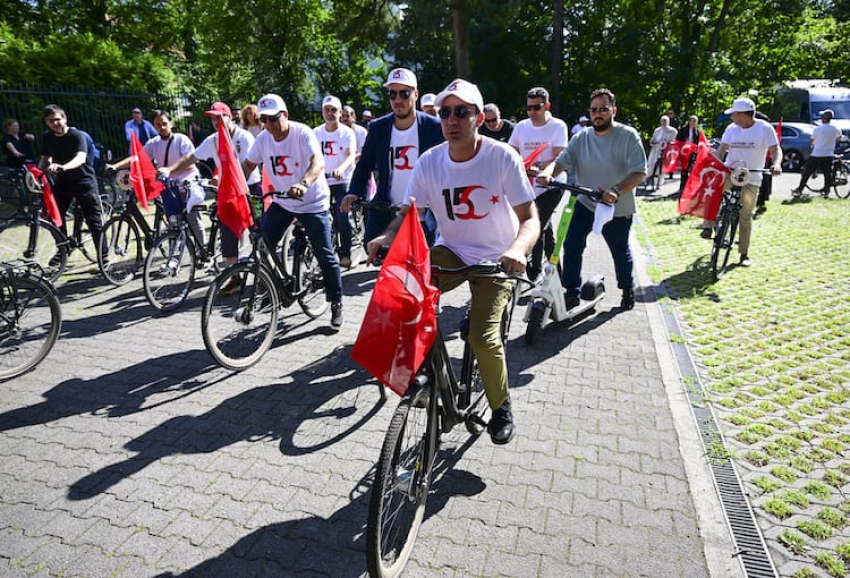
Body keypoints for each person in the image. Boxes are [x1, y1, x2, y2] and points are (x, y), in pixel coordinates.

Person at [367, 79, 540, 445]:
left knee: (482, 336)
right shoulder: (431, 161)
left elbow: (530, 218)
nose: (451, 120)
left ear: (478, 118)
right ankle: (420, 372)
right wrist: (386, 238)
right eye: (445, 112)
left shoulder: (500, 156)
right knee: (404, 296)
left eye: (461, 111)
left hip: (497, 259)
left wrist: (518, 251)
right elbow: (408, 211)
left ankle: (501, 406)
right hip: (454, 252)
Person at [537, 87, 647, 311]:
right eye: (594, 110)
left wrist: (616, 190)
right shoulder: (582, 137)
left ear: (613, 110)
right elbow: (561, 160)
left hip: (616, 207)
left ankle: (627, 289)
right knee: (571, 244)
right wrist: (548, 173)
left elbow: (639, 172)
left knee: (619, 250)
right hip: (586, 202)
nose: (598, 114)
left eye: (604, 109)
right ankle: (572, 293)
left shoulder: (628, 135)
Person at [242, 93, 344, 330]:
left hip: (311, 201)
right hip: (283, 201)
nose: (268, 125)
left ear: (285, 115)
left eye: (273, 119)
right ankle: (272, 290)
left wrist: (304, 183)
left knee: (324, 253)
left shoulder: (301, 133)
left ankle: (336, 301)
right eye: (263, 120)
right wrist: (234, 186)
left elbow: (317, 162)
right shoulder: (264, 139)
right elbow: (247, 166)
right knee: (261, 245)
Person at [158, 102, 261, 285]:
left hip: (250, 190)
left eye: (219, 117)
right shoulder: (213, 140)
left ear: (229, 118)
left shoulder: (244, 137)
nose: (215, 122)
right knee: (227, 233)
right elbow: (192, 157)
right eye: (213, 118)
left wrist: (229, 183)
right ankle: (234, 277)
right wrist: (169, 169)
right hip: (228, 193)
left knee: (260, 232)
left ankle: (266, 273)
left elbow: (248, 167)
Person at [343, 68, 444, 242]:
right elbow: (365, 164)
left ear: (416, 94)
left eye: (404, 94)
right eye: (392, 94)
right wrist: (354, 192)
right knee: (376, 251)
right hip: (388, 209)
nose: (398, 100)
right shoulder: (378, 127)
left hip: (424, 212)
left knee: (427, 265)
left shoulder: (434, 127)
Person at [700, 97, 782, 267]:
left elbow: (775, 150)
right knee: (712, 190)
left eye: (734, 114)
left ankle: (743, 254)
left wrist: (776, 164)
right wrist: (712, 164)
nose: (731, 118)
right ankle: (708, 226)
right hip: (730, 172)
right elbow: (722, 149)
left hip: (751, 177)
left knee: (745, 216)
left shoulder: (764, 128)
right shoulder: (732, 128)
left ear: (743, 115)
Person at [109, 110, 207, 249]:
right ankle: (174, 257)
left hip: (187, 183)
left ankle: (203, 250)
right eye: (158, 125)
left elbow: (191, 162)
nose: (162, 127)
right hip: (168, 186)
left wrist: (169, 170)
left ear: (171, 123)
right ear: (154, 126)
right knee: (174, 223)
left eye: (164, 124)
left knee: (193, 219)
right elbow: (137, 158)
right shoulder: (154, 143)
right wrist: (116, 166)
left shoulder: (181, 139)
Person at [508, 86, 569, 283]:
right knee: (546, 228)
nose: (533, 112)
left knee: (536, 224)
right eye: (529, 108)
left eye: (537, 107)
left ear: (547, 106)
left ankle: (533, 270)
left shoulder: (558, 126)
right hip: (528, 185)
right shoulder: (522, 127)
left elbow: (560, 157)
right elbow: (512, 151)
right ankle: (557, 274)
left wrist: (545, 170)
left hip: (552, 184)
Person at [38, 104, 105, 258]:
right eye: (50, 121)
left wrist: (63, 167)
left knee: (93, 221)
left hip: (84, 181)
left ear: (64, 118)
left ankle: (104, 257)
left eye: (57, 119)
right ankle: (63, 249)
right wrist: (37, 173)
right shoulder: (47, 137)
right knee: (54, 217)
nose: (54, 124)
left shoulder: (77, 135)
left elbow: (81, 158)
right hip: (63, 183)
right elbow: (45, 158)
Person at [315, 95, 357, 268]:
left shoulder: (346, 133)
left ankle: (345, 252)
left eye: (334, 110)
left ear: (340, 113)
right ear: (322, 112)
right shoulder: (316, 132)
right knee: (319, 217)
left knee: (341, 216)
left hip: (342, 180)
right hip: (323, 180)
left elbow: (350, 156)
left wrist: (341, 168)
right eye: (327, 110)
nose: (330, 113)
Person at [792, 108, 842, 197]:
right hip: (829, 154)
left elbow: (812, 140)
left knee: (807, 173)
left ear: (823, 118)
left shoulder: (818, 129)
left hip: (817, 153)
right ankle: (826, 191)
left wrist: (814, 144)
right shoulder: (836, 129)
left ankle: (800, 189)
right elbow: (838, 138)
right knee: (827, 174)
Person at [676, 115, 703, 194]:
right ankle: (682, 187)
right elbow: (678, 140)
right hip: (684, 152)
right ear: (689, 121)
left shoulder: (697, 132)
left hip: (693, 153)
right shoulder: (683, 130)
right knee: (684, 170)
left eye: (695, 121)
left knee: (692, 169)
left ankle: (690, 187)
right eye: (692, 121)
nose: (693, 123)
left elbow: (700, 142)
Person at [646, 115, 678, 180]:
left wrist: (666, 144)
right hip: (656, 150)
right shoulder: (657, 130)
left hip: (666, 151)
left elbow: (673, 141)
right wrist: (652, 142)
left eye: (665, 121)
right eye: (662, 121)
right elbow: (653, 139)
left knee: (663, 167)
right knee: (652, 164)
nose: (663, 122)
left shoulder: (673, 131)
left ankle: (659, 181)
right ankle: (648, 178)